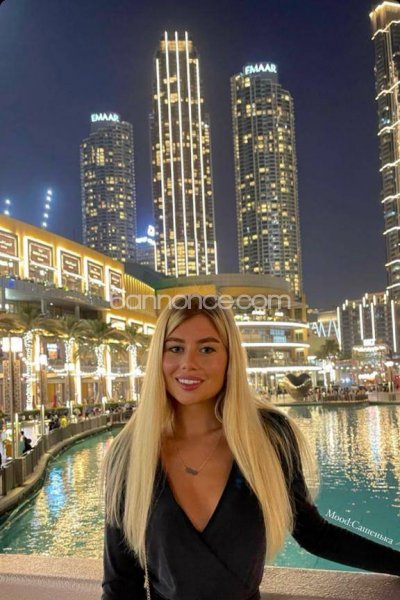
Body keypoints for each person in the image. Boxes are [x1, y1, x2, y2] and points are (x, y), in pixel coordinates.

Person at [101, 295, 400, 600]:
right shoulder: (129, 453)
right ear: (158, 357)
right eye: (175, 348)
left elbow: (313, 533)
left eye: (207, 349)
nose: (188, 363)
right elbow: (120, 585)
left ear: (230, 357)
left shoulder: (269, 435)